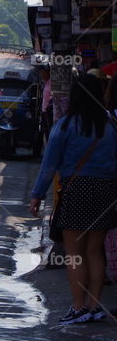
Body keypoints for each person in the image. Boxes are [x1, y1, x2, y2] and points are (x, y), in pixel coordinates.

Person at [29, 73, 117, 325]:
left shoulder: (65, 126)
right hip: (105, 192)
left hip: (76, 190)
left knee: (74, 254)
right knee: (94, 251)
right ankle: (93, 306)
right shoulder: (110, 127)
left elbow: (49, 165)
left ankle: (78, 307)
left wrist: (37, 195)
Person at [39, 67, 53, 143]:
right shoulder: (45, 83)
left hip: (48, 113)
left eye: (43, 73)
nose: (42, 75)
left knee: (48, 132)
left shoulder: (50, 84)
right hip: (44, 112)